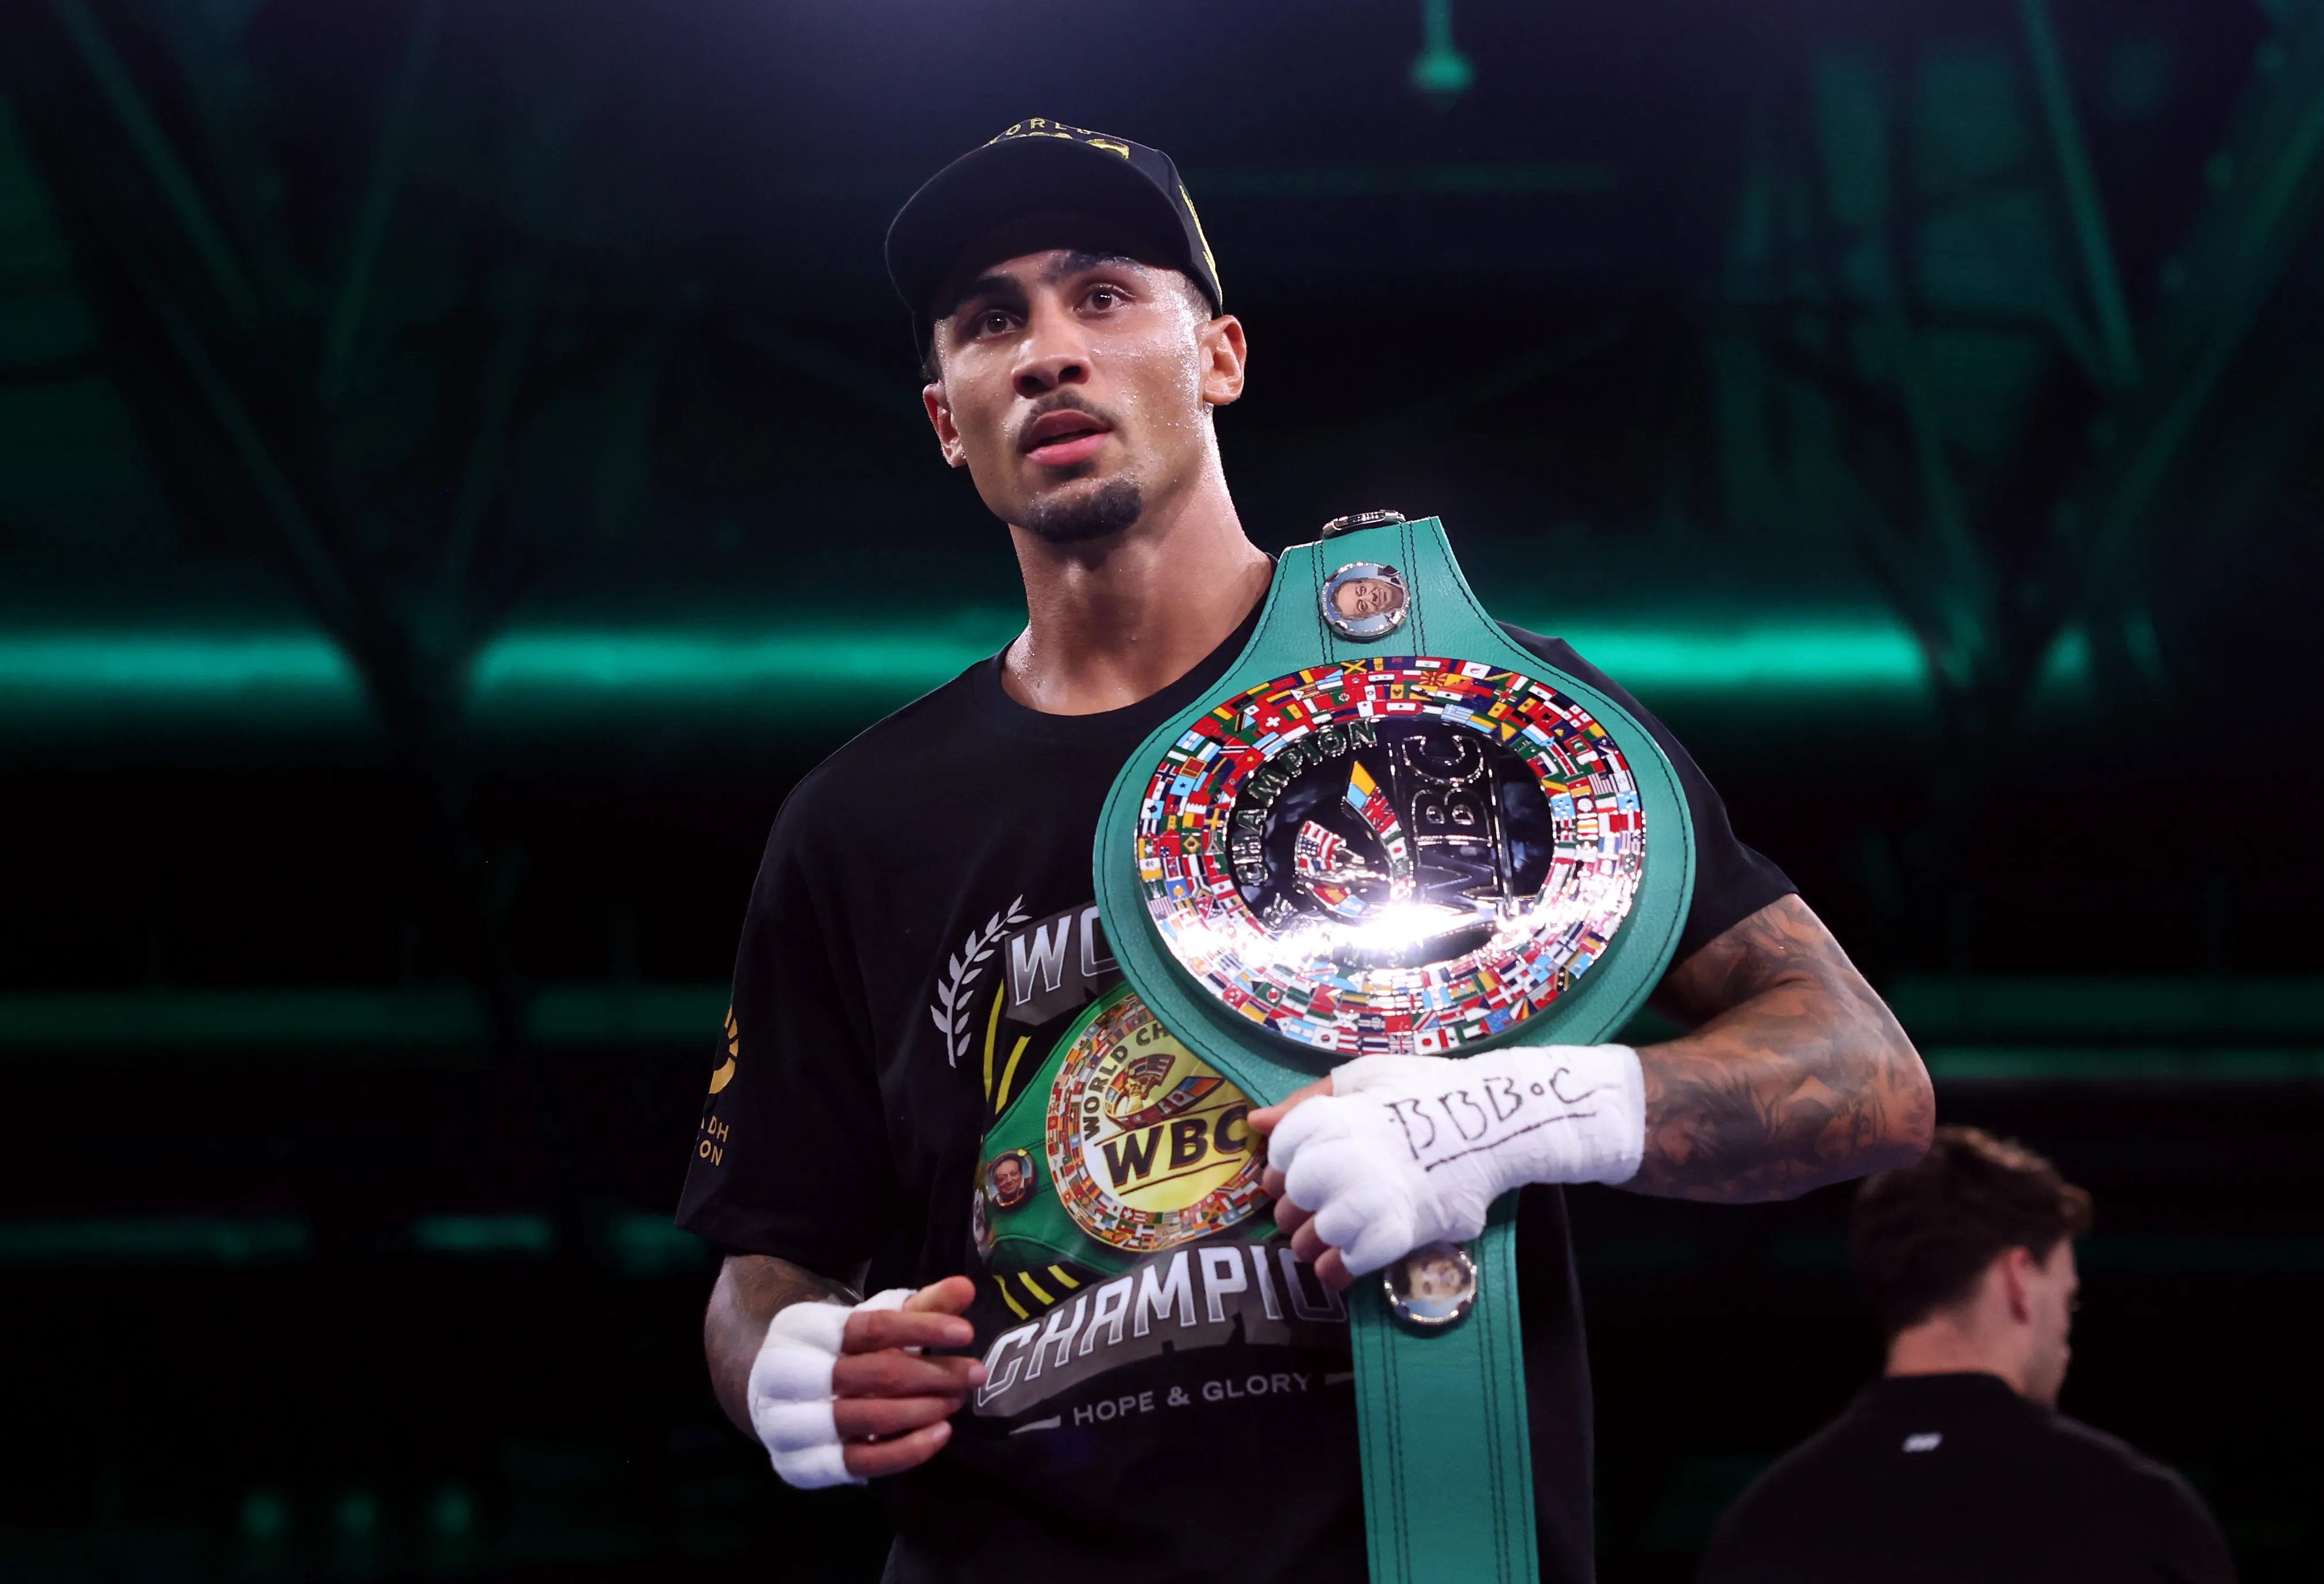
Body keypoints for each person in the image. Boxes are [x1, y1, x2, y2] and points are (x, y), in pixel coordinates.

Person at [678, 118, 1935, 1584]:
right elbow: (764, 1258)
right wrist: (788, 1359)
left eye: (1101, 295)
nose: (1043, 353)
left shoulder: (1451, 693)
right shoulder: (856, 820)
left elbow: (1865, 1076)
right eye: (986, 321)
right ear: (947, 417)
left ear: (1216, 355)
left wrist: (1509, 1117)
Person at [1697, 1126, 2235, 1584]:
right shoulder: (2139, 1512)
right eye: (2069, 1300)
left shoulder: (1762, 1524)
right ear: (2021, 1278)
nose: (2066, 1339)